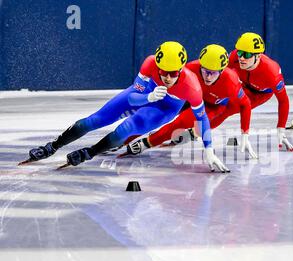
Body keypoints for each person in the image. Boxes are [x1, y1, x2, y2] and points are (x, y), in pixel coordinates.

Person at [22, 41, 229, 172]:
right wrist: (148, 97)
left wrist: (209, 150)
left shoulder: (192, 87)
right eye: (162, 71)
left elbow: (202, 119)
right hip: (143, 96)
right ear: (156, 65)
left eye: (173, 73)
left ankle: (90, 152)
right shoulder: (149, 64)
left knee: (125, 130)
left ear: (181, 70)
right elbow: (132, 99)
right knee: (93, 121)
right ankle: (52, 146)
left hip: (164, 109)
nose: (167, 77)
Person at [121, 44, 258, 159]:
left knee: (180, 122)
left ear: (222, 71)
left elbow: (246, 104)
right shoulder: (191, 68)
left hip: (212, 107)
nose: (208, 77)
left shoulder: (232, 82)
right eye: (205, 71)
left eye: (213, 73)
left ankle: (147, 143)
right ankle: (123, 139)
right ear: (200, 66)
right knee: (157, 114)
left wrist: (245, 134)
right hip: (191, 97)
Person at [209, 32, 293, 151]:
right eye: (240, 52)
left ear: (259, 56)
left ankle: (197, 131)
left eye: (247, 54)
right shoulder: (234, 57)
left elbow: (283, 100)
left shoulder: (272, 73)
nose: (241, 58)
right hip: (243, 84)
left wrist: (281, 128)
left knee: (228, 108)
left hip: (259, 94)